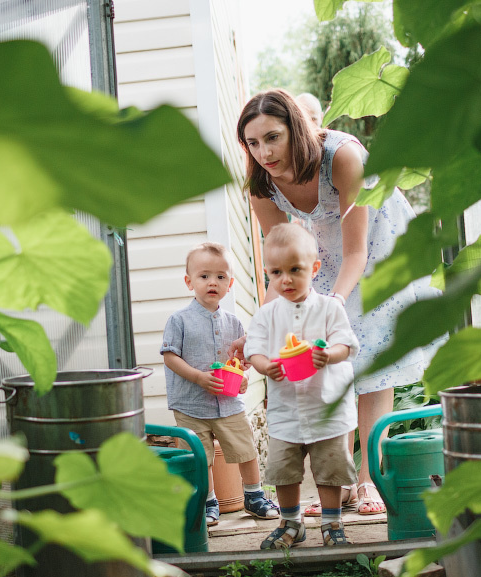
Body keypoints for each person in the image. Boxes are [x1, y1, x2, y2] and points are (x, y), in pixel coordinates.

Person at [236, 88, 443, 517]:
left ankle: (368, 480)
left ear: (295, 128)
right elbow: (281, 265)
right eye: (252, 143)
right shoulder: (261, 184)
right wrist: (260, 326)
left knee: (369, 351)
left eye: (272, 137)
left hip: (376, 240)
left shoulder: (344, 157)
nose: (264, 153)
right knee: (329, 364)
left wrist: (332, 304)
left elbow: (357, 253)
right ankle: (341, 481)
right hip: (320, 250)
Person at [245, 224, 359, 548]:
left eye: (295, 270)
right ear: (267, 273)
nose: (286, 279)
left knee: (330, 468)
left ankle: (332, 522)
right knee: (284, 469)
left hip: (325, 408)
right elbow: (253, 348)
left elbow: (346, 344)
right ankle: (292, 523)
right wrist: (265, 366)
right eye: (276, 272)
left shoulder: (330, 308)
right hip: (286, 411)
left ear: (314, 268)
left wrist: (328, 355)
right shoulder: (267, 315)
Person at [161, 242, 279, 527]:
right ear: (189, 282)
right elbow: (169, 357)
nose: (212, 282)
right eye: (204, 276)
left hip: (228, 403)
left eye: (221, 277)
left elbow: (242, 363)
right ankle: (207, 500)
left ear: (230, 284)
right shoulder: (179, 320)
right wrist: (199, 377)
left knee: (246, 447)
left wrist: (244, 381)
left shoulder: (235, 323)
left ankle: (253, 496)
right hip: (191, 403)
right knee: (199, 456)